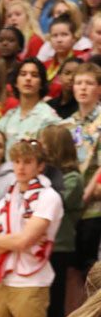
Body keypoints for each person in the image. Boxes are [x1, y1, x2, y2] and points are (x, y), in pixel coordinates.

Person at [0, 138, 63, 317]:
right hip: (2, 281)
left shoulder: (49, 197)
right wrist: (15, 240)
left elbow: (24, 240)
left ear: (40, 166)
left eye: (27, 161)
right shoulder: (5, 200)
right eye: (16, 161)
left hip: (32, 283)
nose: (20, 167)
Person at [39, 124, 84, 317]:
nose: (41, 148)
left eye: (45, 144)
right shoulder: (40, 175)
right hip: (39, 244)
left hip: (59, 246)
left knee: (55, 301)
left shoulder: (73, 178)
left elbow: (53, 201)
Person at [61, 61, 101, 275]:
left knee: (90, 270)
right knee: (71, 270)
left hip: (94, 207)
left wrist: (87, 194)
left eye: (89, 83)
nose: (83, 88)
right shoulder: (66, 124)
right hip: (70, 208)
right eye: (78, 83)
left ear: (99, 89)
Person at [0, 57, 60, 150]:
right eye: (23, 74)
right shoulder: (7, 118)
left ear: (41, 84)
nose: (28, 78)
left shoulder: (49, 118)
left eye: (34, 75)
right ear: (16, 83)